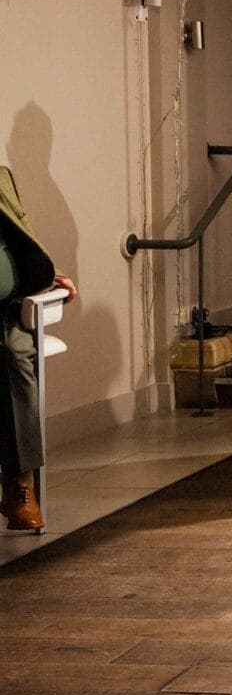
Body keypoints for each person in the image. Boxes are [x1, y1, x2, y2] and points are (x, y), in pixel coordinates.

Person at [0, 166, 75, 531]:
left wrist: (48, 276)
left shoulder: (2, 177)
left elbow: (22, 238)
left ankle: (19, 485)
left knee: (15, 356)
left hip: (7, 309)